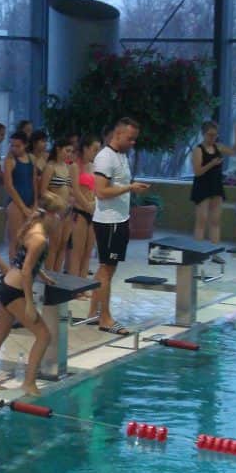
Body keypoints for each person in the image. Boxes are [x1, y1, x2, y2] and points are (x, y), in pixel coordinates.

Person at [0, 192, 65, 396]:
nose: (60, 220)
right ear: (50, 215)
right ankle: (29, 383)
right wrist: (30, 304)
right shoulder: (40, 238)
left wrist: (42, 275)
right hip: (15, 291)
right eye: (59, 215)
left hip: (6, 285)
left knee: (0, 333)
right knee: (44, 335)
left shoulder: (33, 229)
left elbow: (26, 262)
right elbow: (25, 271)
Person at [93, 118, 150, 335]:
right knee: (107, 270)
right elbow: (101, 191)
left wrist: (130, 188)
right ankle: (105, 318)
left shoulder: (121, 155)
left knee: (106, 269)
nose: (133, 142)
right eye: (130, 138)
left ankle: (94, 312)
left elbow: (116, 186)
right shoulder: (105, 157)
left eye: (135, 139)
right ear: (117, 135)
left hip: (120, 219)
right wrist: (130, 188)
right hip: (109, 222)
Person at [190, 120, 236, 253]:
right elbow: (197, 172)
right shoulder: (198, 150)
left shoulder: (218, 147)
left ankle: (214, 251)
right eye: (210, 135)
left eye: (215, 135)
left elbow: (235, 151)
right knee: (201, 221)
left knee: (215, 221)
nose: (212, 138)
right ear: (203, 134)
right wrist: (212, 164)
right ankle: (197, 251)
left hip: (216, 186)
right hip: (202, 186)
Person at [68, 133, 100, 281]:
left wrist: (95, 204)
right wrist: (87, 206)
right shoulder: (75, 166)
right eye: (94, 149)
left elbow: (96, 189)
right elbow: (75, 190)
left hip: (93, 212)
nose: (96, 153)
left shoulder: (94, 167)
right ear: (85, 148)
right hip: (80, 212)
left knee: (88, 252)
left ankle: (83, 286)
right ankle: (74, 286)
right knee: (77, 252)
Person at [40, 136, 74, 271]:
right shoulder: (50, 167)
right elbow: (43, 191)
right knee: (54, 245)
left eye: (71, 151)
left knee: (63, 245)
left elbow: (69, 188)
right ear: (58, 149)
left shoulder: (67, 167)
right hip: (55, 211)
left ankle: (57, 277)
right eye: (67, 151)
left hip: (67, 211)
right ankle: (50, 277)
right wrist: (57, 199)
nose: (69, 154)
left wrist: (71, 197)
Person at [2, 131, 37, 263]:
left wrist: (35, 203)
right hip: (16, 205)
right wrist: (23, 207)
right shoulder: (10, 161)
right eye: (12, 145)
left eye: (17, 146)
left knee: (27, 241)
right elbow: (9, 186)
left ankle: (23, 271)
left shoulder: (31, 159)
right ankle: (12, 273)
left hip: (29, 203)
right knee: (15, 241)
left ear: (25, 145)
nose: (14, 149)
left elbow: (34, 182)